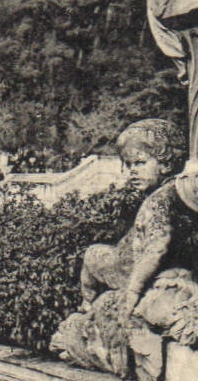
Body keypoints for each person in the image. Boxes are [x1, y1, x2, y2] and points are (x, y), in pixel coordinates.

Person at [77, 119, 186, 316]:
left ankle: (87, 304)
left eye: (140, 163)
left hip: (132, 268)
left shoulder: (157, 201)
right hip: (152, 264)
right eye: (129, 164)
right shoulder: (179, 191)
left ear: (166, 164)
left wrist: (133, 290)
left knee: (91, 254)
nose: (133, 171)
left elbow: (157, 247)